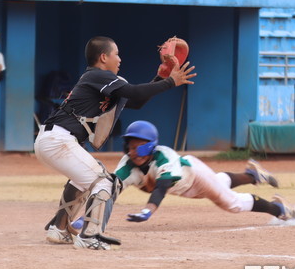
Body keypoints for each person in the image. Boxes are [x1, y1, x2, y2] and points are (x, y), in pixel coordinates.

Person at [34, 36, 196, 251]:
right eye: (116, 54)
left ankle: (59, 228)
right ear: (103, 57)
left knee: (83, 180)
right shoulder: (98, 75)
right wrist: (170, 82)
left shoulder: (101, 81)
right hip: (58, 139)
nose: (119, 59)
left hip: (54, 139)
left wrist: (161, 76)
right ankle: (89, 236)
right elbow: (135, 92)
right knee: (105, 182)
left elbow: (136, 101)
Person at [114, 121, 295, 226]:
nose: (134, 152)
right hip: (185, 187)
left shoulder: (164, 158)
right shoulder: (127, 165)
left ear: (151, 147)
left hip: (196, 177)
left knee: (232, 204)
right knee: (219, 182)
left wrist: (148, 211)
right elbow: (109, 190)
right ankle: (252, 175)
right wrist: (87, 218)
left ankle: (279, 209)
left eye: (140, 147)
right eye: (131, 147)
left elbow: (161, 188)